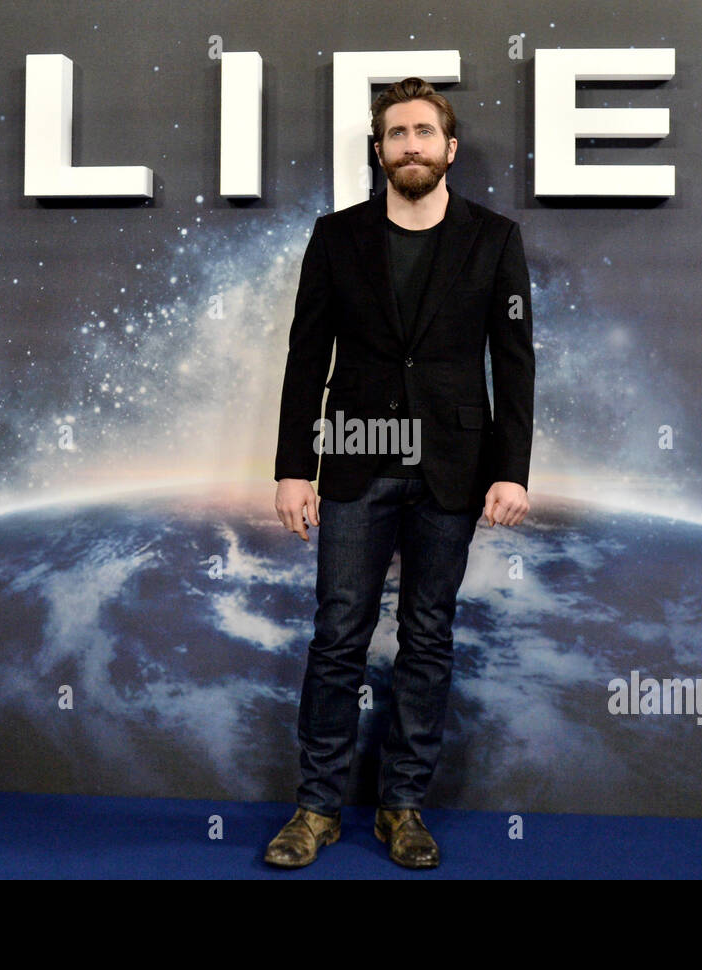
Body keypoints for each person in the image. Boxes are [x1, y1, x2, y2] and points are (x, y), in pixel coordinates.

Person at [266, 77, 534, 869]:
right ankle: (315, 810)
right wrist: (292, 468)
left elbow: (514, 366)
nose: (410, 144)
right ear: (379, 150)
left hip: (454, 471)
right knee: (337, 636)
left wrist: (510, 471)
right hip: (352, 461)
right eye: (396, 133)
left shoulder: (495, 238)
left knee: (428, 637)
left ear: (449, 149)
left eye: (424, 132)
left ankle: (403, 807)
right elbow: (305, 358)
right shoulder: (335, 237)